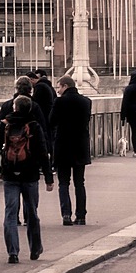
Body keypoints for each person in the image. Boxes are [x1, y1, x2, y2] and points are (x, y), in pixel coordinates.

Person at [0, 95, 54, 263]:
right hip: (30, 175)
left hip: (10, 174)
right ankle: (35, 249)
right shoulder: (34, 126)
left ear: (14, 108)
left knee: (10, 213)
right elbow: (43, 152)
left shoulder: (5, 125)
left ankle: (13, 252)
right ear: (30, 108)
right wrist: (48, 177)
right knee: (32, 212)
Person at [49, 75, 92, 226]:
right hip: (80, 145)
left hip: (63, 146)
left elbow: (51, 121)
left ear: (65, 86)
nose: (58, 90)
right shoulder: (86, 102)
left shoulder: (59, 102)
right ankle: (81, 216)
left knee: (63, 183)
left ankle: (66, 214)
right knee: (80, 183)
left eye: (59, 87)